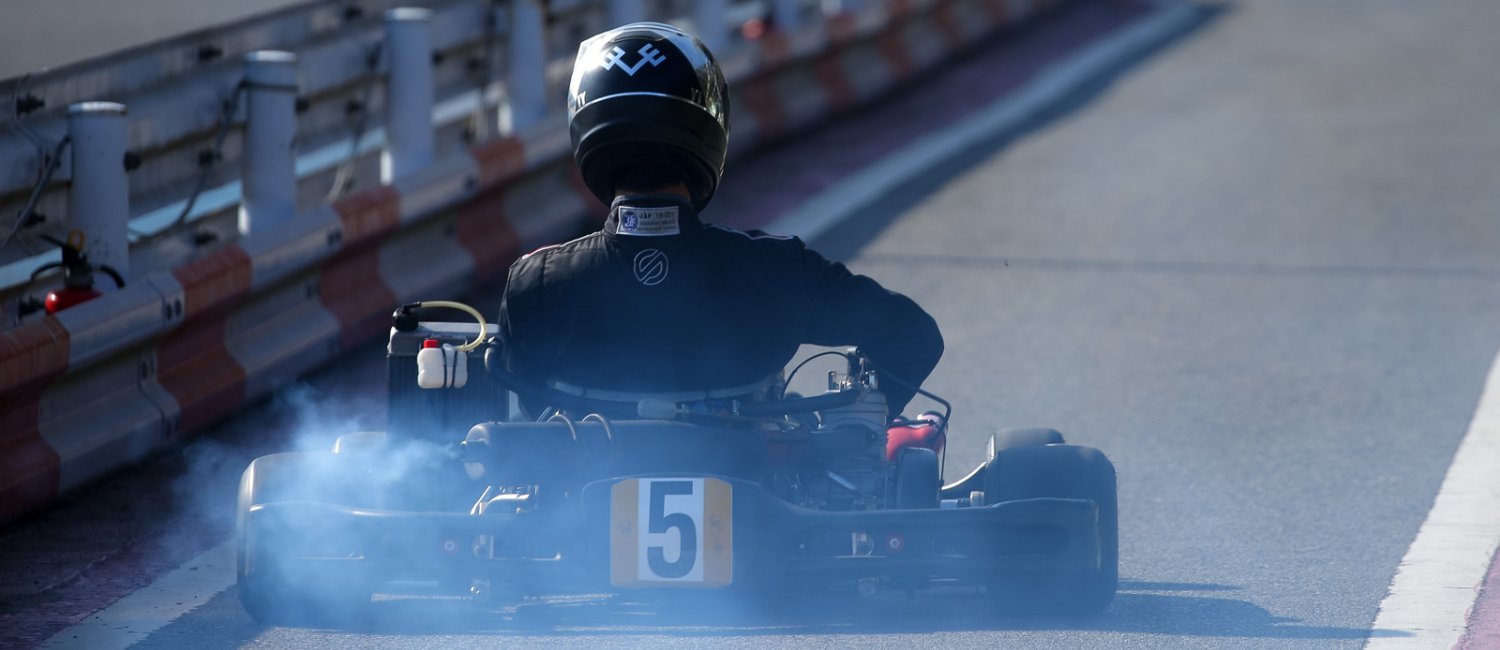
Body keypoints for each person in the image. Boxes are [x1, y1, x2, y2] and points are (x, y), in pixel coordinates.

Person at [497, 22, 942, 417]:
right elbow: (912, 334)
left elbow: (527, 410)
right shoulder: (777, 269)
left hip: (578, 501)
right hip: (757, 497)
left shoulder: (534, 284)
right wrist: (850, 432)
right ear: (708, 130)